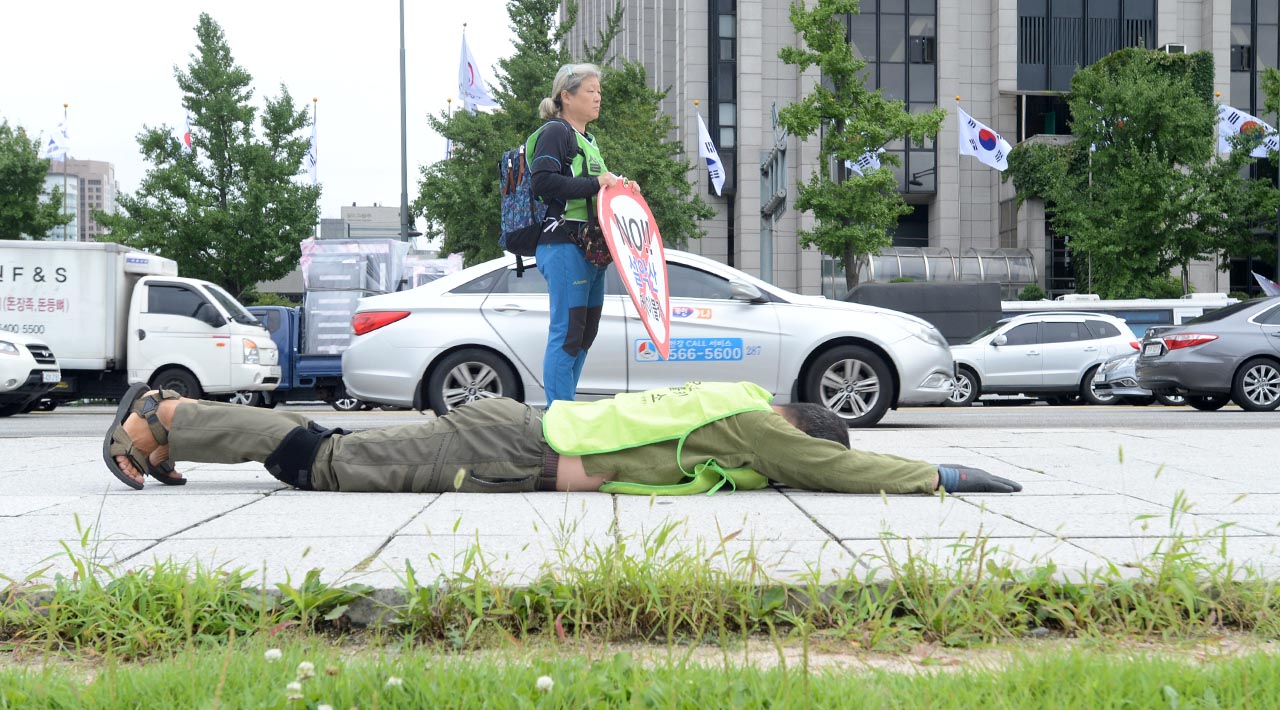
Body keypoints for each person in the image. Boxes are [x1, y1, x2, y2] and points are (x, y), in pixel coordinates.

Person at [103, 381, 1023, 496]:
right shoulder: (756, 427)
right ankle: (171, 420)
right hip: (514, 448)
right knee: (325, 462)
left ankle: (172, 437)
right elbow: (829, 467)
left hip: (521, 446)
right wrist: (939, 472)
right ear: (792, 430)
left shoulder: (735, 410)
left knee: (333, 453)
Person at [528, 62, 633, 406]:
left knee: (584, 334)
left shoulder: (589, 141)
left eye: (599, 92)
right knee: (568, 333)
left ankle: (566, 408)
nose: (598, 98)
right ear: (566, 97)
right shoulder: (557, 132)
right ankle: (559, 416)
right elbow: (541, 182)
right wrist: (596, 182)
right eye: (590, 91)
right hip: (562, 244)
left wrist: (621, 189)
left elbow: (598, 191)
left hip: (590, 250)